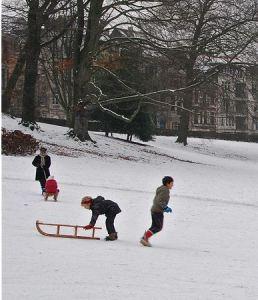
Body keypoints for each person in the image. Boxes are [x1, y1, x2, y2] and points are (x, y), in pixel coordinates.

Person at [140, 176, 174, 247]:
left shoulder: (161, 188)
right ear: (167, 183)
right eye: (171, 183)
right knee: (158, 227)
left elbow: (157, 200)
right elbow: (159, 200)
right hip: (157, 211)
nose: (172, 185)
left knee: (154, 226)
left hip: (155, 210)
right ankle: (145, 238)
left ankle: (145, 238)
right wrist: (165, 207)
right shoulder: (165, 190)